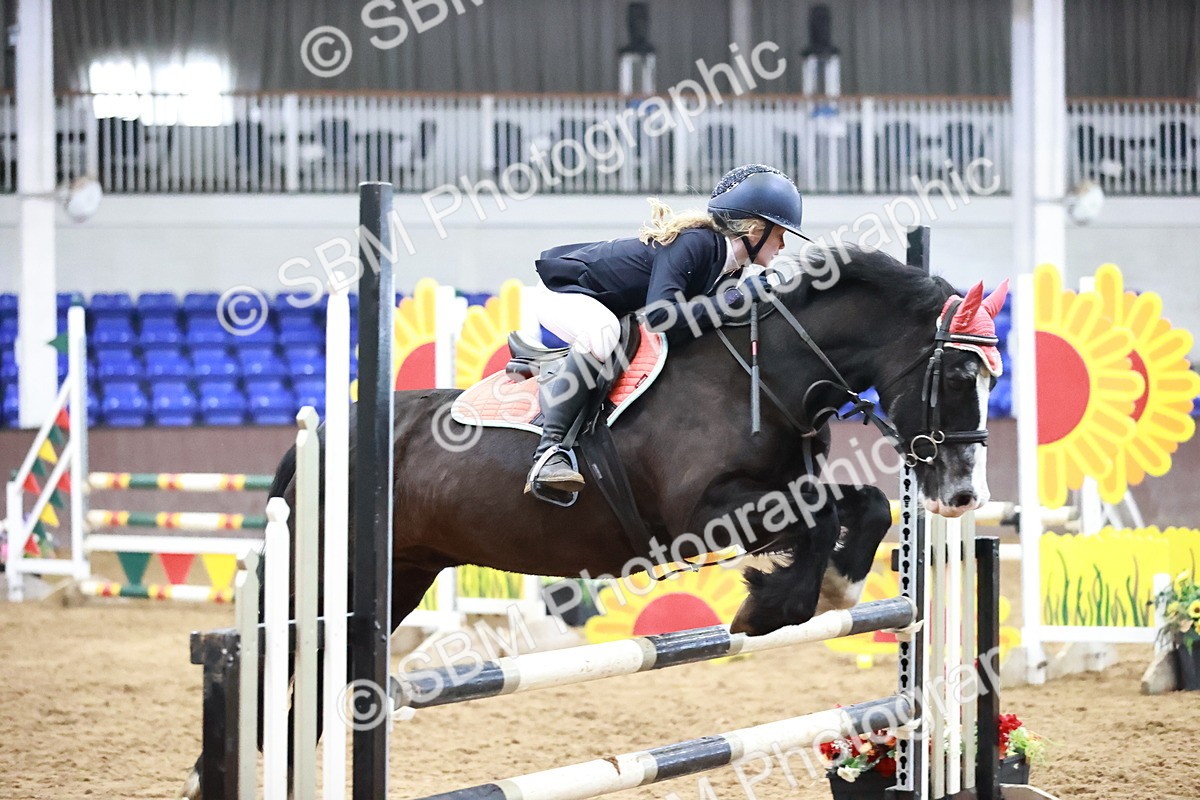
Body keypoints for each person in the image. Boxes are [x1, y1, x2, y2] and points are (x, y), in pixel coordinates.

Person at [525, 164, 808, 496]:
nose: (783, 245)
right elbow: (661, 318)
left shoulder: (731, 271)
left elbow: (697, 326)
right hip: (564, 292)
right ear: (755, 229)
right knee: (603, 334)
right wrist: (736, 299)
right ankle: (549, 453)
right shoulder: (697, 243)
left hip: (610, 303)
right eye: (780, 234)